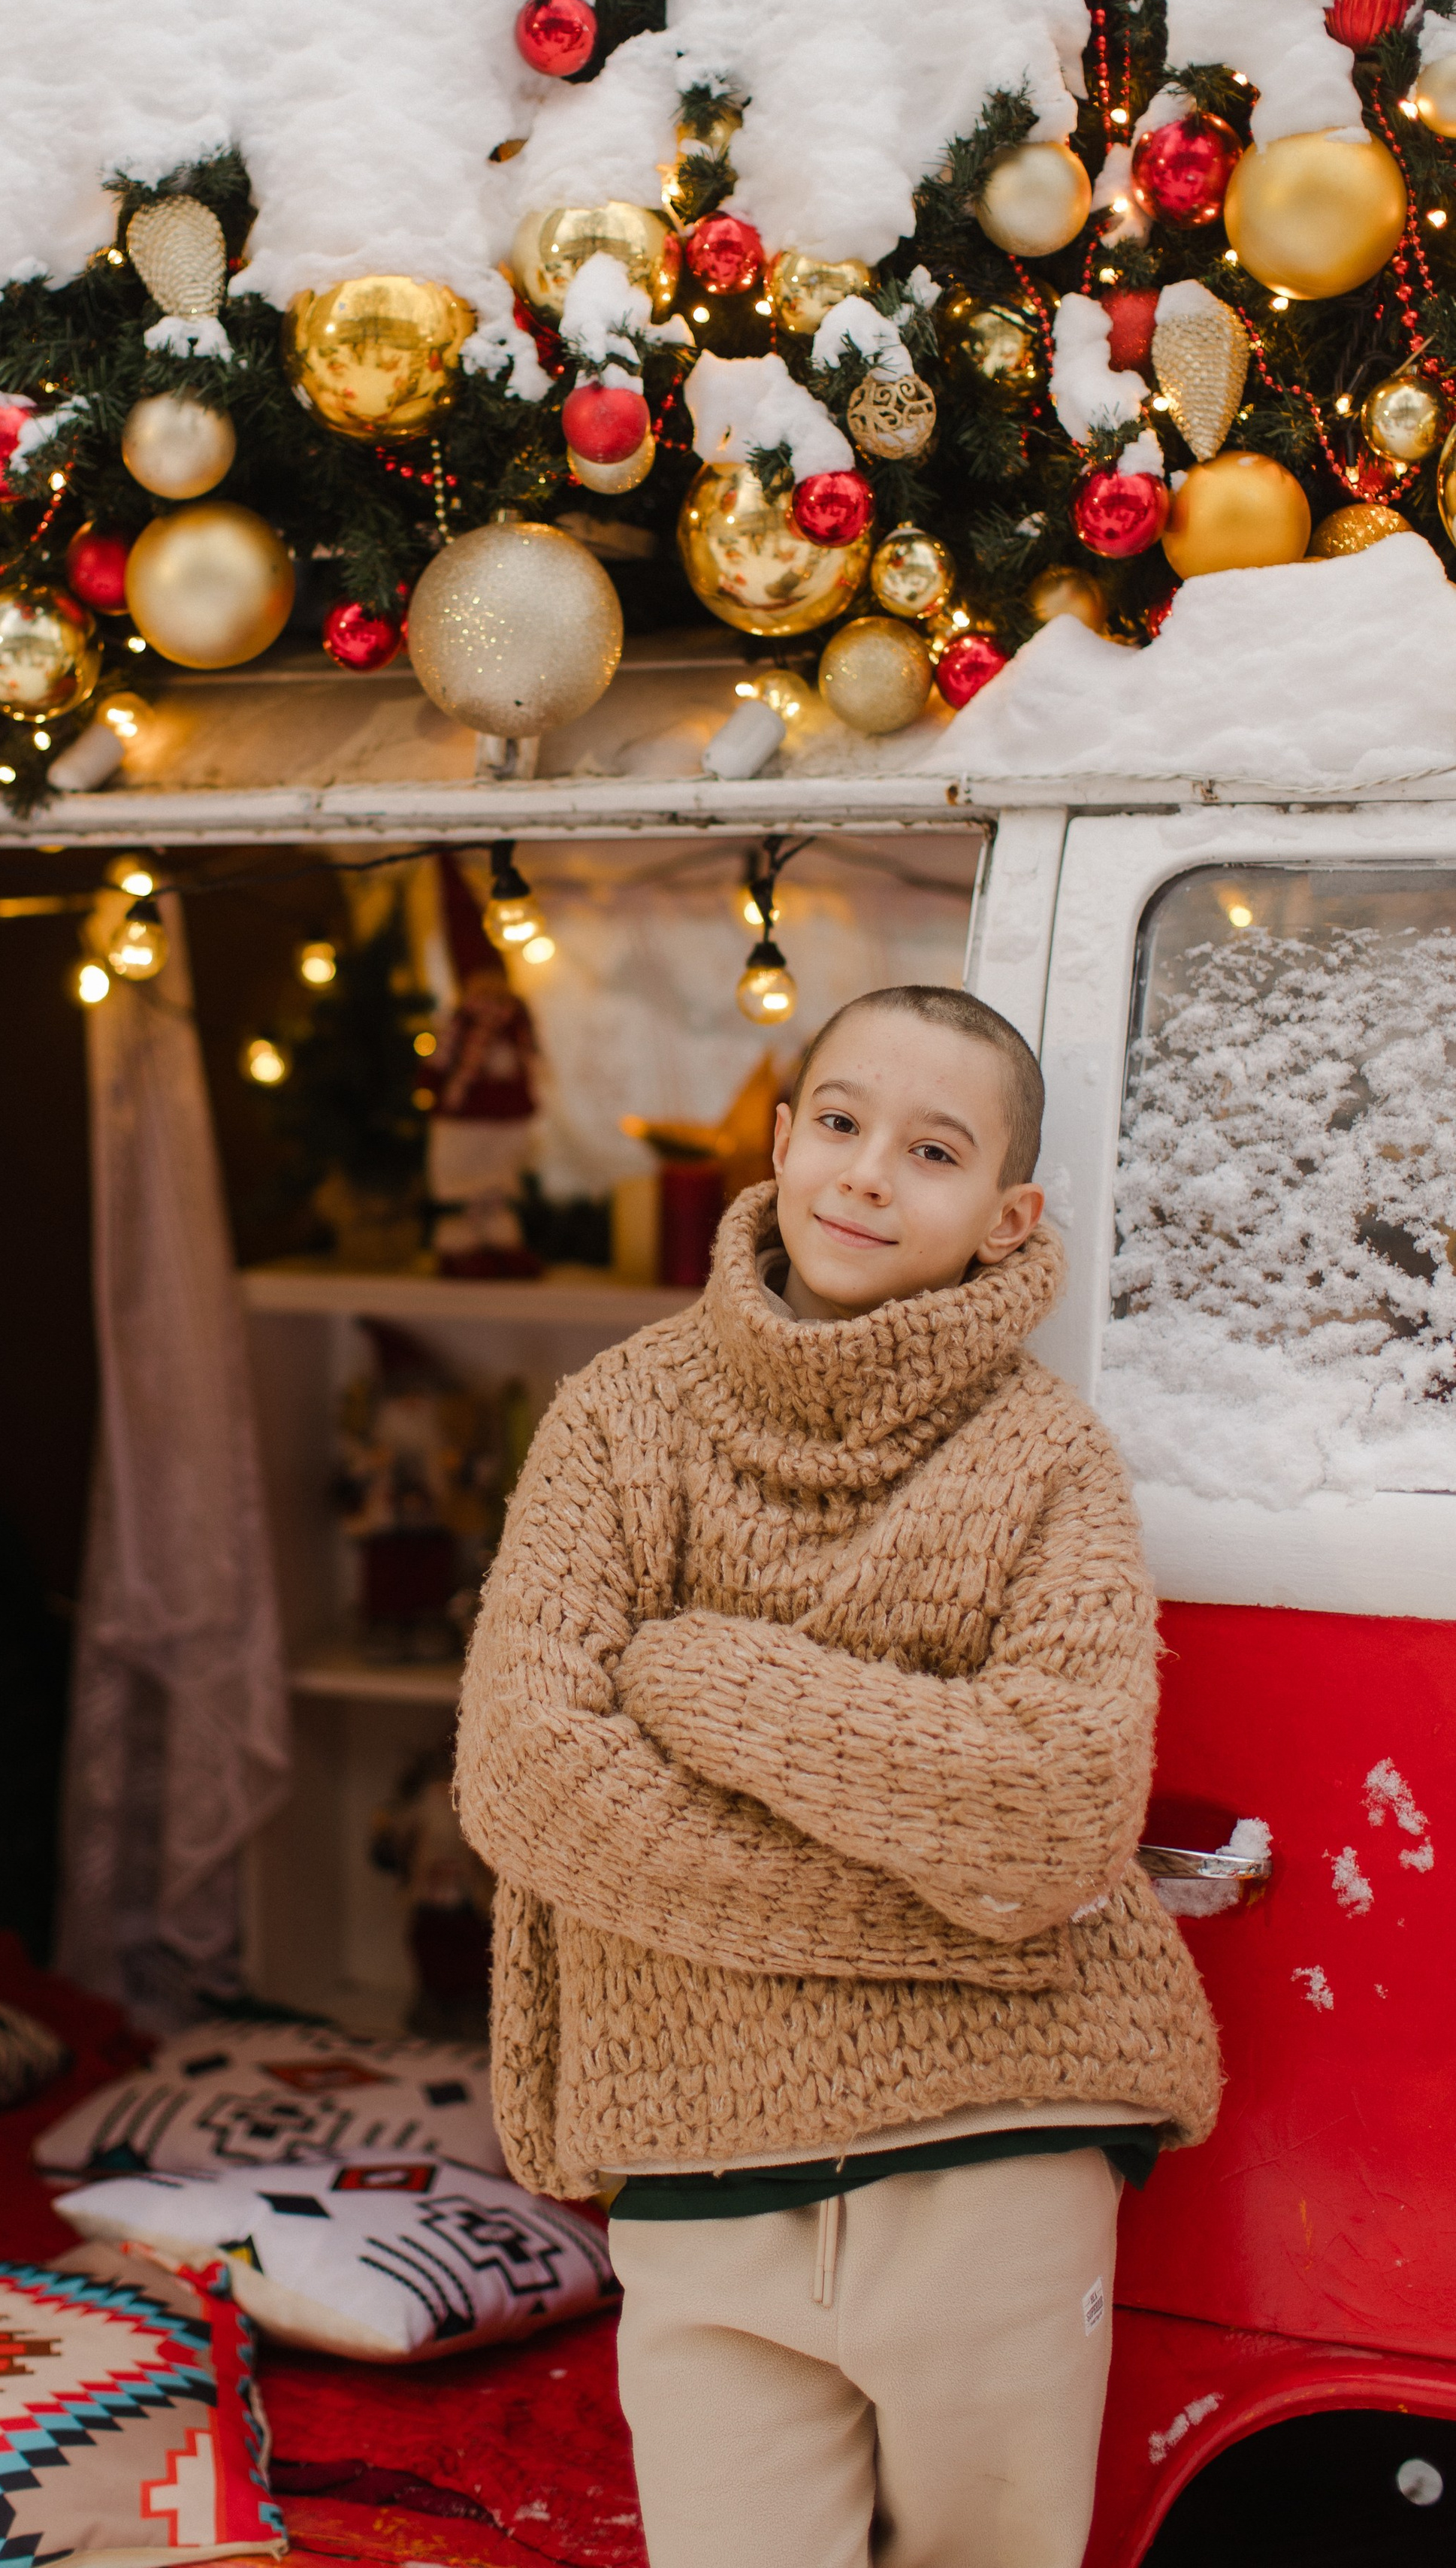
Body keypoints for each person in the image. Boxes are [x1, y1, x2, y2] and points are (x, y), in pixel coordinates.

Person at [455, 985, 1220, 2568]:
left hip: (994, 2176)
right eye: (844, 1122)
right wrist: (960, 1920)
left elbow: (1059, 1815)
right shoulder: (617, 1423)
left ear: (1005, 1216)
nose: (869, 1173)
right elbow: (529, 1784)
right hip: (698, 2163)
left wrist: (699, 1675)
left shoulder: (1043, 1463)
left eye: (931, 1150)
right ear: (782, 1138)